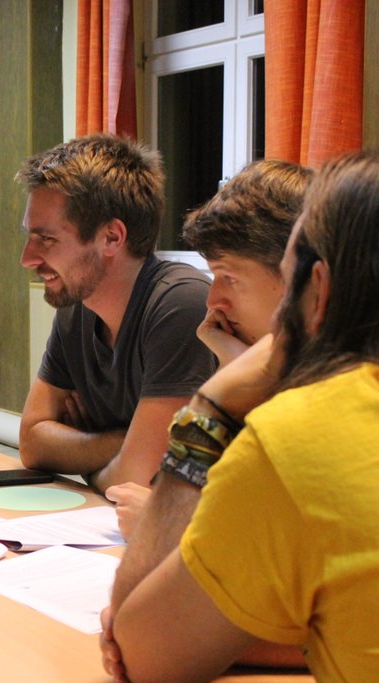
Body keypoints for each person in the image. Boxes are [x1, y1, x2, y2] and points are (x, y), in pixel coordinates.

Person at [104, 149, 379, 682]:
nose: (212, 301)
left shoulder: (300, 439)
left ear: (318, 292)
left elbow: (139, 648)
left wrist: (211, 407)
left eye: (228, 276)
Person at [105, 159, 314, 539]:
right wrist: (237, 366)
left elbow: (299, 537)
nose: (213, 300)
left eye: (228, 277)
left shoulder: (344, 389)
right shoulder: (277, 376)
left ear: (298, 277)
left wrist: (170, 525)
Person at [16, 133, 216, 493]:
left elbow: (137, 476)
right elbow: (32, 443)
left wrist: (88, 463)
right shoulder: (76, 308)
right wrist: (128, 441)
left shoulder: (181, 304)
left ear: (111, 237)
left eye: (46, 239)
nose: (27, 259)